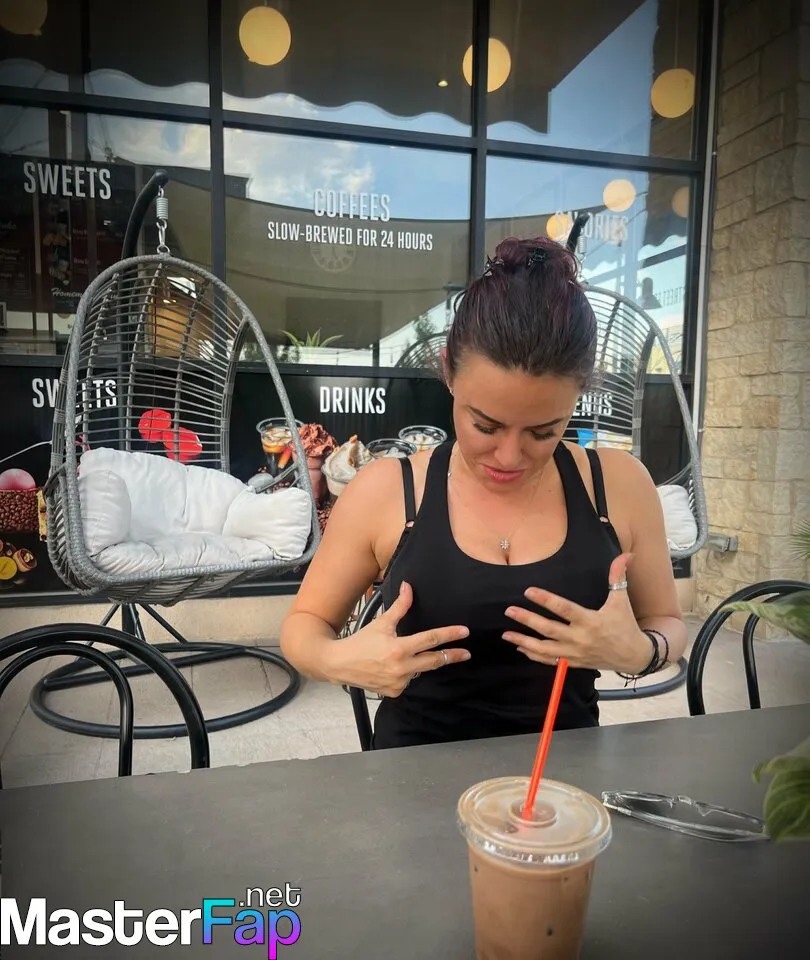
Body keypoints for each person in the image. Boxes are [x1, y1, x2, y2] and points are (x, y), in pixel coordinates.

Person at [280, 236, 687, 749]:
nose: (510, 456)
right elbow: (304, 627)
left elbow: (667, 622)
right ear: (449, 372)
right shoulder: (387, 490)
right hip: (414, 772)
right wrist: (340, 659)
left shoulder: (619, 485)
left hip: (561, 775)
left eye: (544, 431)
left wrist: (641, 652)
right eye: (486, 425)